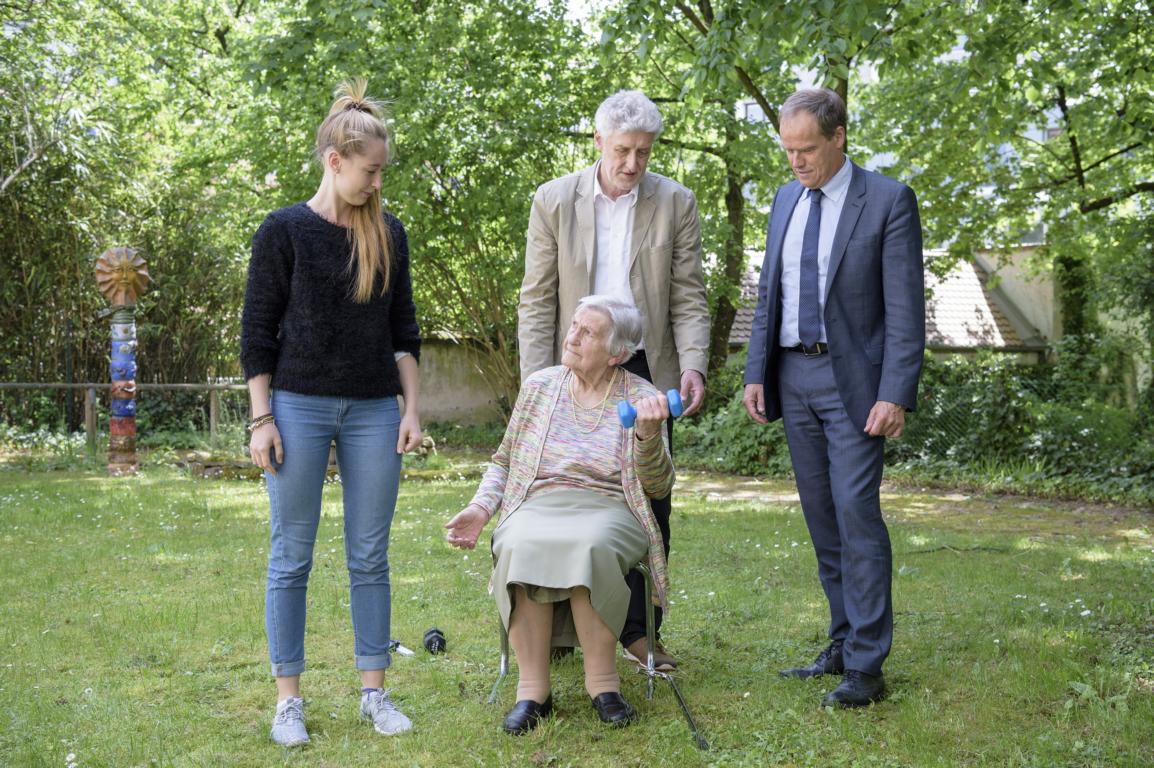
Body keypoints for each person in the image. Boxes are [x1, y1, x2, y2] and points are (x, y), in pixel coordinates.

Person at [240, 78, 423, 746]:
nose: (377, 183)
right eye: (369, 171)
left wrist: (413, 410)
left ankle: (375, 694)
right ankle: (288, 699)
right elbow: (257, 334)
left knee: (369, 557)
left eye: (382, 172)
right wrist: (262, 419)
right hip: (296, 407)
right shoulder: (284, 231)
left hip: (376, 409)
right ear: (335, 161)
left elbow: (405, 331)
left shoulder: (389, 235)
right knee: (292, 555)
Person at [742, 88, 925, 708]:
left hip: (855, 387)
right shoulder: (785, 199)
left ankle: (868, 666)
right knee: (823, 518)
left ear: (839, 136)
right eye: (788, 150)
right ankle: (843, 642)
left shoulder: (888, 201)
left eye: (807, 148)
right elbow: (771, 293)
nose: (796, 161)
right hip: (793, 379)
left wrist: (895, 392)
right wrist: (755, 371)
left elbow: (904, 309)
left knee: (856, 514)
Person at [518, 90, 709, 671]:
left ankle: (639, 633)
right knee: (560, 487)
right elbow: (537, 299)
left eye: (644, 153)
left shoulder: (676, 203)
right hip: (574, 363)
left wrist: (695, 362)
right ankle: (558, 627)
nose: (632, 163)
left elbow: (688, 295)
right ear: (597, 142)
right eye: (623, 150)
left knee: (651, 498)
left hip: (647, 366)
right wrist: (536, 385)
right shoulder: (553, 200)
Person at [445, 296, 674, 734]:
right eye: (573, 326)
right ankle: (533, 692)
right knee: (517, 540)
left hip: (611, 506)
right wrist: (480, 508)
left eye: (588, 332)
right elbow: (505, 462)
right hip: (538, 503)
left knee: (590, 544)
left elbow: (659, 486)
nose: (572, 336)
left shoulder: (642, 397)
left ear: (617, 354)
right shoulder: (540, 387)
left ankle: (603, 684)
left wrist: (647, 437)